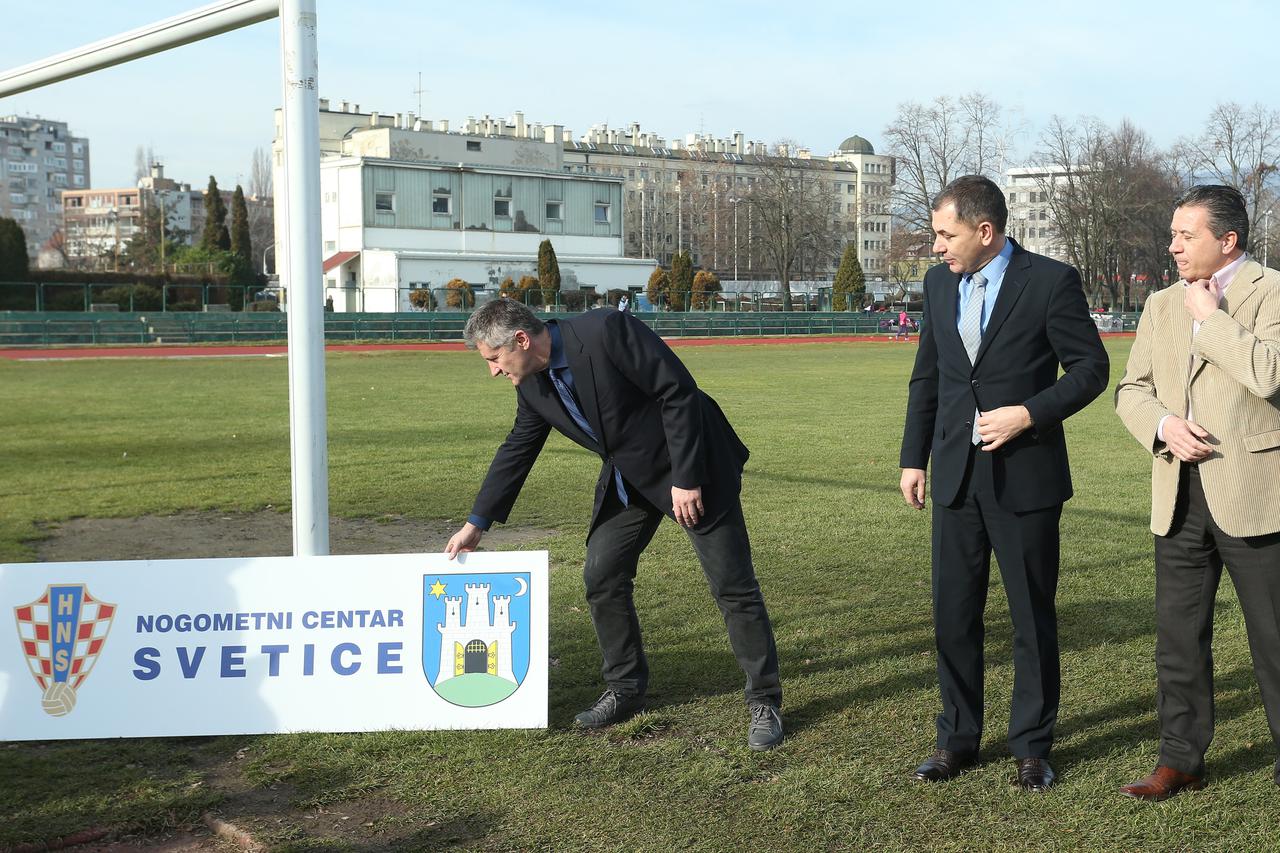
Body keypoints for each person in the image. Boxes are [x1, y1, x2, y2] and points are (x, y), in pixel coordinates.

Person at [445, 298, 784, 749]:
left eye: (493, 359)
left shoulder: (607, 330)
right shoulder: (531, 386)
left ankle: (764, 701)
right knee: (602, 574)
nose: (492, 371)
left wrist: (686, 479)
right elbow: (518, 448)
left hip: (695, 467)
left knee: (732, 585)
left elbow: (677, 391)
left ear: (521, 340)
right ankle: (625, 688)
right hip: (632, 478)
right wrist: (477, 523)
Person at [899, 175, 1109, 791]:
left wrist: (1029, 413)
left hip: (1026, 479)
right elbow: (928, 379)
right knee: (953, 616)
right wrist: (915, 458)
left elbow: (1092, 368)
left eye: (946, 234)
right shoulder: (939, 284)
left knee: (1030, 618)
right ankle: (956, 740)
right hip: (955, 480)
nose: (936, 247)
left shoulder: (1050, 281)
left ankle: (1032, 747)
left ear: (984, 231)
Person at [1114, 185, 1280, 801]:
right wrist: (1163, 426)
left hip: (1258, 494)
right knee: (1179, 640)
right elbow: (1132, 389)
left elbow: (1268, 373)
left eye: (1187, 235)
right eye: (1173, 234)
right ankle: (1180, 758)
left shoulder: (1273, 291)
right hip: (1177, 494)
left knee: (1274, 639)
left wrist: (1212, 319)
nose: (1174, 245)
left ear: (1227, 240)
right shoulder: (1159, 304)